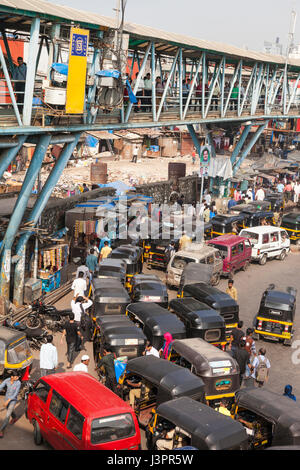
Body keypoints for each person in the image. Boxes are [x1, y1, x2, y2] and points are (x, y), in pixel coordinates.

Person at [0, 371, 21, 437]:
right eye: (16, 377)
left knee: (7, 416)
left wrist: (8, 401)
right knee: (10, 411)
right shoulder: (7, 380)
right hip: (6, 399)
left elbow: (15, 393)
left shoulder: (18, 383)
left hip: (13, 400)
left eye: (18, 377)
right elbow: (1, 387)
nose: (17, 378)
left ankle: (1, 430)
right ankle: (14, 418)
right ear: (12, 377)